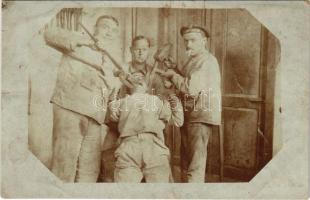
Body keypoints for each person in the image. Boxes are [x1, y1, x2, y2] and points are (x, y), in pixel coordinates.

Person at [44, 15, 122, 182]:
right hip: (70, 108)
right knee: (63, 166)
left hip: (95, 118)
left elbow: (112, 90)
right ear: (95, 28)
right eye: (105, 27)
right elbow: (49, 35)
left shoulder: (110, 58)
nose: (109, 32)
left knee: (89, 173)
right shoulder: (79, 40)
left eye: (113, 31)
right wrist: (86, 41)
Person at [157, 25, 222, 182]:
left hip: (200, 116)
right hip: (190, 115)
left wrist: (172, 75)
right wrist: (175, 69)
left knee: (194, 164)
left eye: (193, 40)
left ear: (204, 41)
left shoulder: (207, 61)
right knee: (187, 161)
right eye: (186, 41)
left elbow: (190, 88)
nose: (188, 45)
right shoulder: (194, 60)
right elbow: (188, 80)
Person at [108, 78, 184, 182]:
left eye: (141, 78)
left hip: (153, 147)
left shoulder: (156, 101)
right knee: (124, 193)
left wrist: (172, 95)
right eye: (134, 77)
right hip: (129, 147)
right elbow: (111, 112)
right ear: (128, 86)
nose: (138, 78)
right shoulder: (121, 102)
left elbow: (178, 121)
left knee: (159, 195)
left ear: (146, 88)